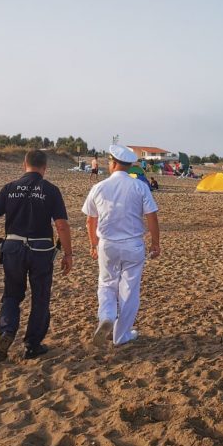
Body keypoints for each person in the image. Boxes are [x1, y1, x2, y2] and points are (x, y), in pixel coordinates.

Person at [0, 149, 73, 362]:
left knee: (12, 294)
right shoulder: (50, 189)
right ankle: (32, 344)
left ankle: (7, 331)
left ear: (24, 164)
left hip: (13, 246)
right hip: (41, 249)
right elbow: (61, 225)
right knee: (40, 296)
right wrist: (68, 254)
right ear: (45, 167)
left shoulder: (10, 188)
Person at [82, 145, 160, 347]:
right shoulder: (140, 187)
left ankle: (107, 316)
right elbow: (152, 217)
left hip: (107, 244)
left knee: (106, 284)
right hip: (133, 244)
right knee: (129, 290)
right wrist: (155, 244)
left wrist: (93, 244)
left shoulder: (99, 187)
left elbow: (91, 220)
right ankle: (121, 335)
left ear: (113, 164)